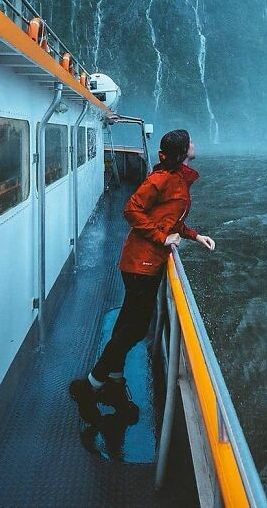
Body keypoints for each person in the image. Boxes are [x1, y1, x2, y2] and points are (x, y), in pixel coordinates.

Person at [69, 129, 215, 424]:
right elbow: (131, 210)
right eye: (192, 142)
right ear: (183, 150)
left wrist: (195, 236)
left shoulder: (174, 178)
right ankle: (91, 385)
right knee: (134, 329)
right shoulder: (161, 179)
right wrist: (163, 238)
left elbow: (169, 219)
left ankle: (113, 377)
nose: (195, 145)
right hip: (141, 265)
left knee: (127, 323)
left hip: (144, 263)